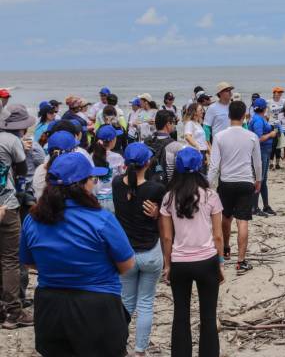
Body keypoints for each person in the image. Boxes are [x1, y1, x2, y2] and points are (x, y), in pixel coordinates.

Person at [21, 152, 134, 355]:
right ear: (81, 185)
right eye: (92, 179)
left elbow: (29, 262)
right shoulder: (102, 220)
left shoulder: (33, 219)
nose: (94, 183)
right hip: (97, 307)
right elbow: (126, 265)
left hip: (50, 308)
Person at [160, 147, 224, 357]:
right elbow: (218, 236)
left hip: (180, 262)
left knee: (181, 315)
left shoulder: (169, 197)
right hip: (207, 260)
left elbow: (167, 237)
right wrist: (221, 262)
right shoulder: (210, 195)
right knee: (208, 316)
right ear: (200, 167)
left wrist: (167, 264)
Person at [113, 142, 166, 357]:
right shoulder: (156, 188)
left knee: (126, 301)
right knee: (145, 303)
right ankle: (140, 350)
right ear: (148, 163)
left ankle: (120, 345)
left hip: (126, 254)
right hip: (150, 251)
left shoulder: (118, 184)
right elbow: (164, 221)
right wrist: (157, 214)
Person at [207, 101, 261, 274]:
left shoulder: (220, 136)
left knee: (226, 217)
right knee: (243, 220)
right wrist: (258, 179)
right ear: (245, 115)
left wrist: (208, 185)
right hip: (246, 181)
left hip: (226, 182)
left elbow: (214, 166)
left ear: (229, 115)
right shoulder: (252, 136)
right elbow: (257, 163)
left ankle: (226, 248)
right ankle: (241, 261)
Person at [0, 104, 35, 328]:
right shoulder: (10, 141)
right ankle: (13, 311)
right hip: (7, 205)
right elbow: (22, 171)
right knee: (10, 260)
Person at [249, 98, 277, 217]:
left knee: (263, 180)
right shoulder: (258, 120)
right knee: (259, 179)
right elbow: (258, 139)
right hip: (260, 152)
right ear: (264, 108)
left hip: (264, 151)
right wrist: (271, 134)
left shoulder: (258, 118)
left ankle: (265, 205)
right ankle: (254, 207)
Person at [91, 124, 126, 212]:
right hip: (113, 200)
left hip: (93, 200)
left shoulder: (90, 157)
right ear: (112, 140)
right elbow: (124, 177)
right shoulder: (118, 158)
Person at [145, 110, 183, 184]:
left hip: (148, 184)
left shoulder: (146, 141)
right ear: (168, 124)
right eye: (174, 122)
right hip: (165, 186)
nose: (174, 125)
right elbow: (171, 171)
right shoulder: (175, 146)